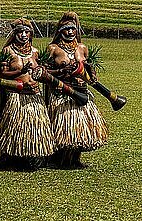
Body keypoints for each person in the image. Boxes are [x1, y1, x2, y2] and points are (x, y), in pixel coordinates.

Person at [45, 12, 108, 168]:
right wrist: (61, 72)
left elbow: (88, 67)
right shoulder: (53, 49)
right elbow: (44, 72)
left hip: (82, 93)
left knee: (79, 127)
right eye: (67, 29)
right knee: (65, 128)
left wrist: (92, 73)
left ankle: (76, 158)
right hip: (63, 93)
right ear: (60, 30)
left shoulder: (82, 48)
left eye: (73, 28)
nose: (71, 32)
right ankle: (60, 159)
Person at [0, 18, 55, 166]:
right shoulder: (7, 51)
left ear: (30, 34)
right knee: (16, 128)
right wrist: (20, 70)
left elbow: (41, 73)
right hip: (16, 95)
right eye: (20, 32)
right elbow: (2, 75)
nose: (23, 35)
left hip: (34, 95)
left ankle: (31, 156)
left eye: (26, 32)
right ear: (14, 34)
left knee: (34, 128)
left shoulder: (35, 52)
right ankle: (12, 156)